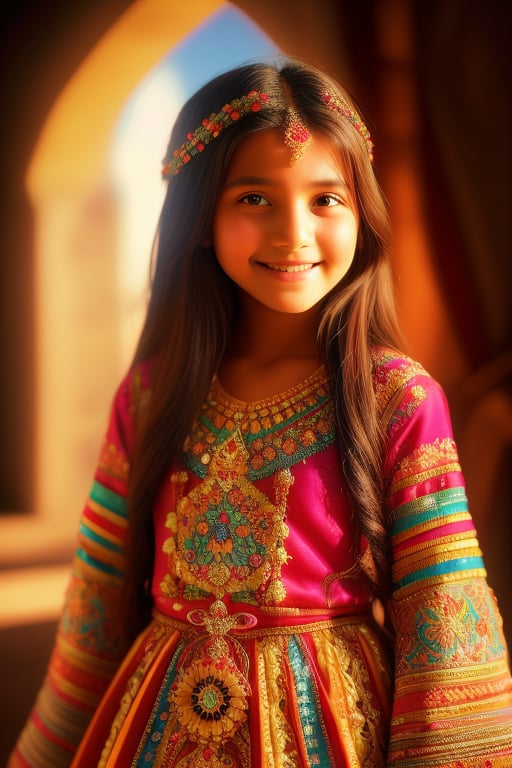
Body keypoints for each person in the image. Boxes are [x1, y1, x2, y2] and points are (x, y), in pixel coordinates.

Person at [9, 58, 512, 768]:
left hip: (329, 735)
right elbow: (95, 611)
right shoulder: (153, 395)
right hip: (151, 728)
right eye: (254, 199)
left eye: (325, 200)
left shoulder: (397, 399)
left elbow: (443, 623)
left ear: (362, 214)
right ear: (201, 218)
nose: (293, 234)